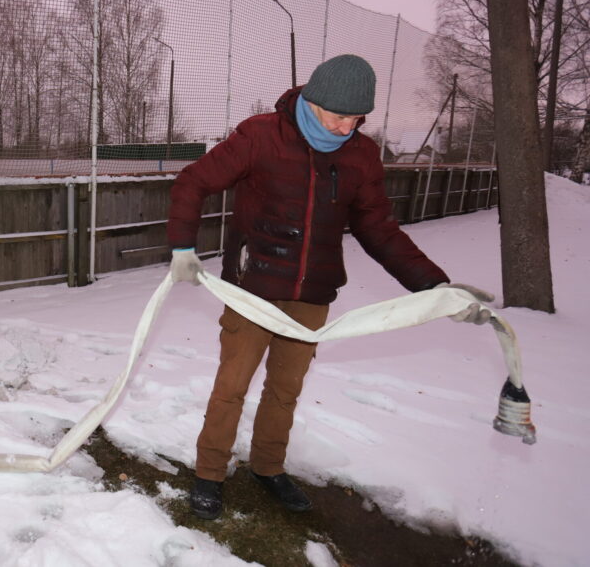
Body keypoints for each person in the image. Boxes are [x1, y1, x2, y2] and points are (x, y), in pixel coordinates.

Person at [166, 54, 492, 518]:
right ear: (313, 100)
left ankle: (268, 467)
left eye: (356, 119)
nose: (346, 127)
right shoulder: (260, 135)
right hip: (252, 287)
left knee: (286, 389)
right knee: (231, 386)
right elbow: (193, 181)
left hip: (312, 294)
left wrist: (436, 287)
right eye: (338, 116)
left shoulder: (360, 155)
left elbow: (379, 229)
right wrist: (182, 245)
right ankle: (209, 473)